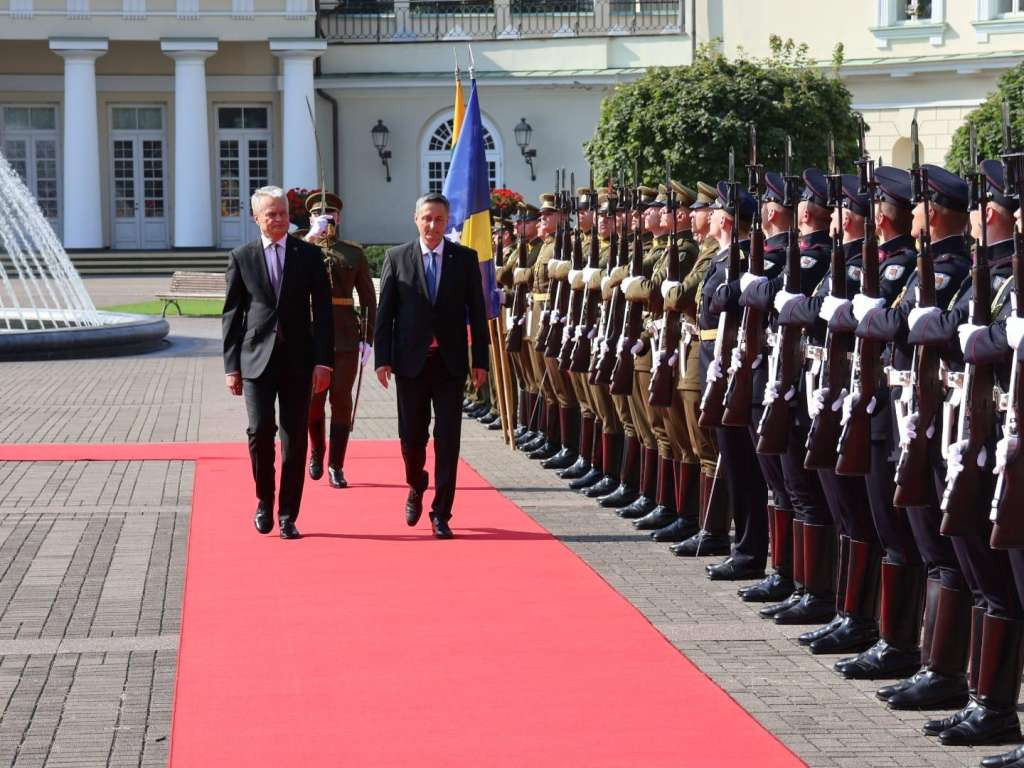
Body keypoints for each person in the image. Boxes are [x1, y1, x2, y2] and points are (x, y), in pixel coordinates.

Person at [373, 192, 489, 539]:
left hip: (450, 363)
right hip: (410, 363)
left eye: (439, 219)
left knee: (448, 438)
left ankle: (442, 512)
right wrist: (383, 359)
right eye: (427, 218)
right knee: (411, 438)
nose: (432, 225)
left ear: (447, 221)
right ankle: (416, 482)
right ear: (416, 218)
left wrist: (479, 361)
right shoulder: (397, 258)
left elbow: (478, 314)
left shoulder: (464, 259)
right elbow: (385, 315)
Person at [222, 185, 333, 540]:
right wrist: (231, 367)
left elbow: (324, 314)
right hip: (256, 360)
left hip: (299, 361)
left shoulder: (308, 256)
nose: (280, 219)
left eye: (284, 212)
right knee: (259, 433)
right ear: (256, 218)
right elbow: (232, 315)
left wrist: (323, 362)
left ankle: (288, 513)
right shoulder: (242, 257)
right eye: (271, 214)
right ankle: (263, 501)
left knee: (294, 438)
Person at [302, 192, 377, 490]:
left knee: (342, 402)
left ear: (339, 218)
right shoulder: (301, 247)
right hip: (310, 336)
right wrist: (311, 237)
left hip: (345, 337)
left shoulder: (352, 253)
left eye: (331, 214)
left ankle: (337, 464)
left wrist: (368, 338)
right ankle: (317, 453)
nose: (327, 218)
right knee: (312, 402)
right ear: (310, 218)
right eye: (320, 214)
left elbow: (368, 300)